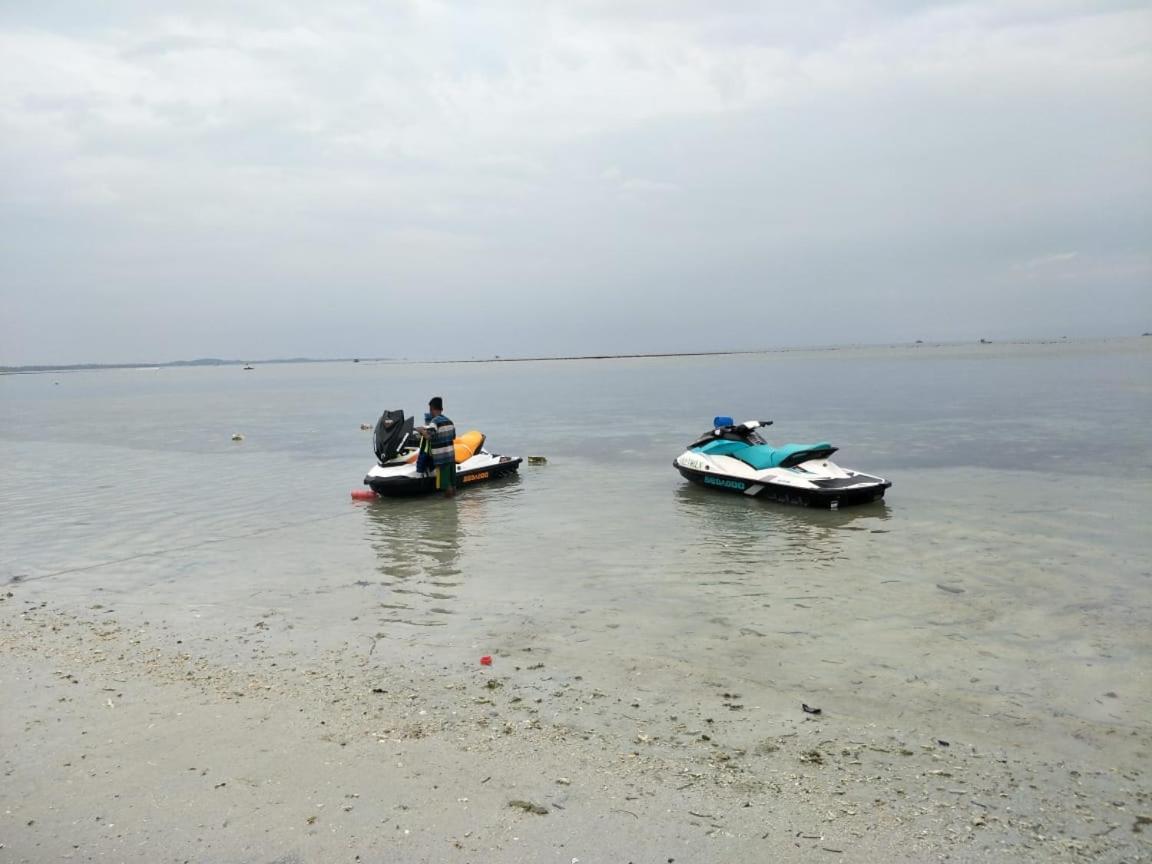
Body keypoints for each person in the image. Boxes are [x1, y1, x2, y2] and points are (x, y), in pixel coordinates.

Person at [421, 396, 457, 497]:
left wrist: (421, 431)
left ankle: (447, 508)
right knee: (452, 484)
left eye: (430, 409)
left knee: (446, 485)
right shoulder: (449, 421)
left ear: (432, 409)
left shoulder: (434, 422)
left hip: (442, 460)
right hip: (451, 457)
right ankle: (453, 507)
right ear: (441, 409)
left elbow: (429, 436)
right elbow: (453, 437)